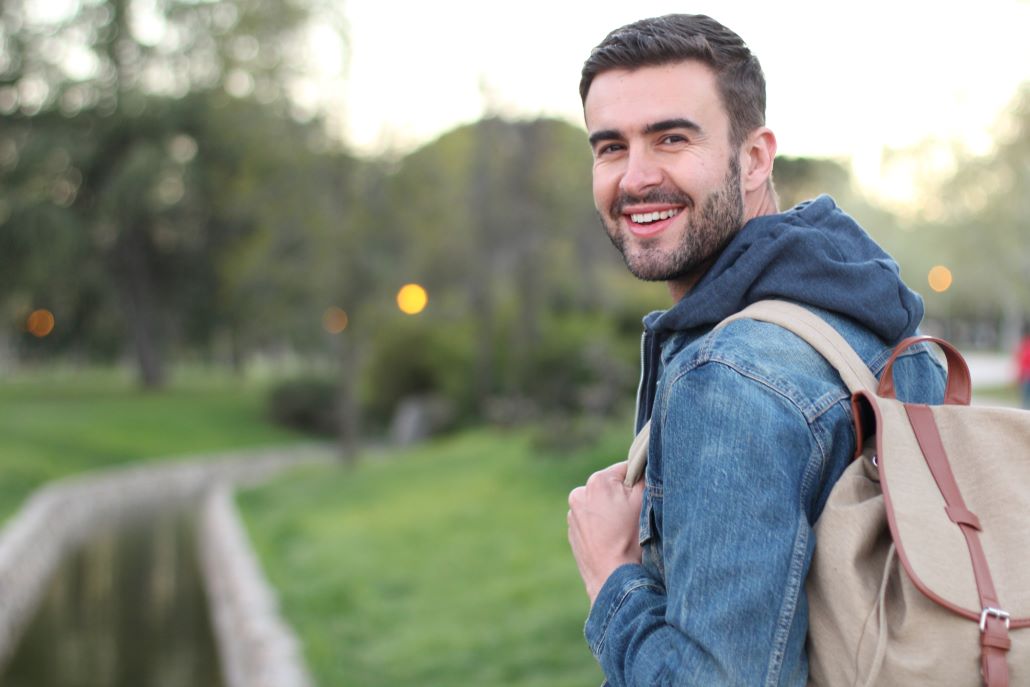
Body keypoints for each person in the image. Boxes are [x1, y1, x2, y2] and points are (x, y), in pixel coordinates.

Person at [565, 14, 947, 686]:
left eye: (671, 138)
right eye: (610, 147)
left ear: (755, 157)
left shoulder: (732, 375)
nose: (635, 177)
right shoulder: (866, 315)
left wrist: (611, 575)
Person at [1017, 332, 1030, 409]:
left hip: (1026, 375)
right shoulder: (1025, 345)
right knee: (1025, 398)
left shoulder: (1025, 345)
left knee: (1025, 398)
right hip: (1026, 376)